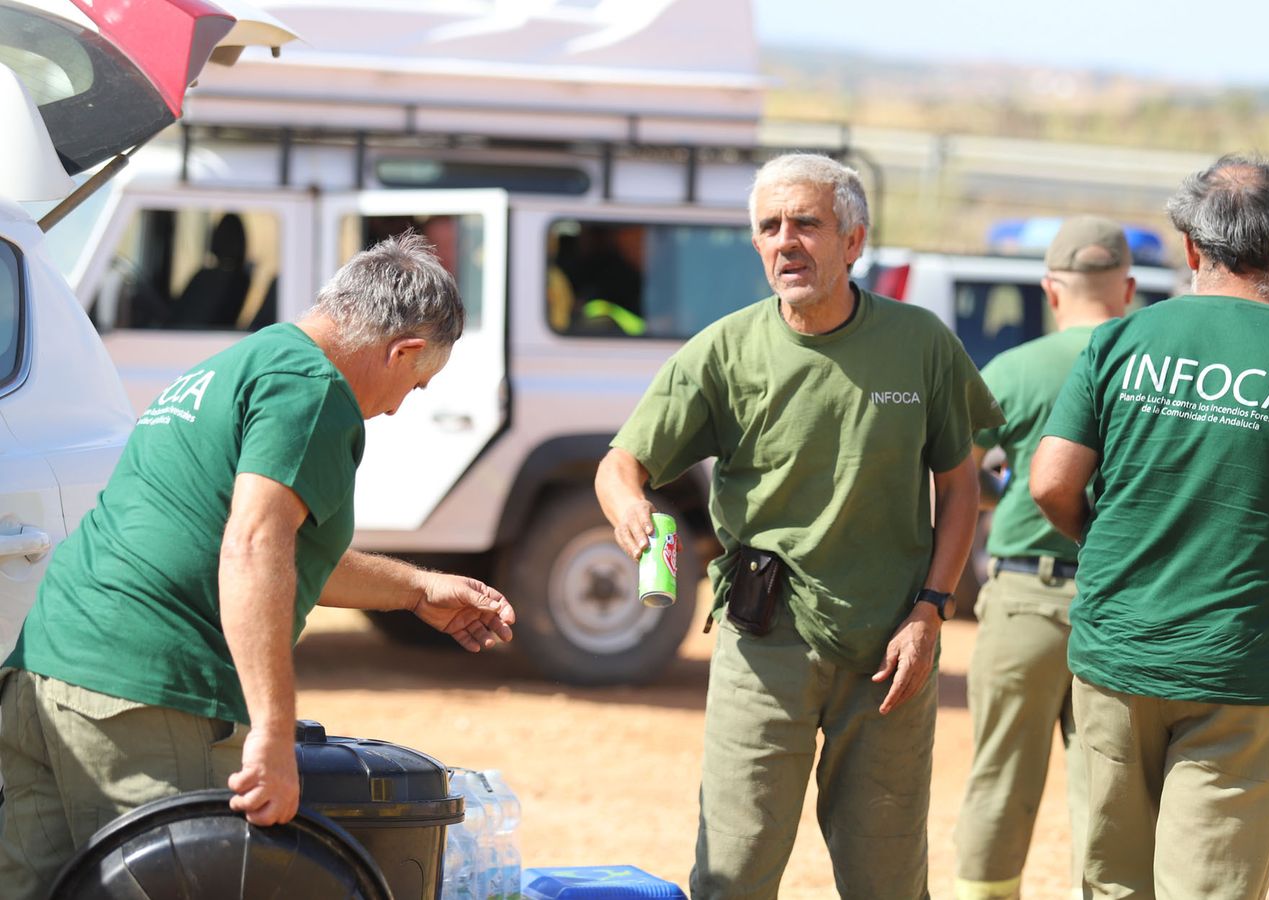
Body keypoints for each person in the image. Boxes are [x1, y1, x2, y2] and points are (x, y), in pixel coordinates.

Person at [0, 233, 516, 899]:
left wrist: (417, 589)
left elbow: (265, 551)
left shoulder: (245, 362)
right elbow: (254, 548)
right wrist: (273, 734)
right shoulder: (313, 391)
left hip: (45, 674)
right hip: (144, 692)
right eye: (415, 386)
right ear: (404, 350)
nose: (395, 407)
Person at [595, 152, 1001, 899]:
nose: (786, 241)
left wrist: (931, 611)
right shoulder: (725, 349)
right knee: (733, 872)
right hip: (765, 641)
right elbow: (622, 463)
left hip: (891, 651)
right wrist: (631, 507)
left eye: (807, 224)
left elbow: (960, 482)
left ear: (853, 241)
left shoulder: (920, 343)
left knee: (886, 879)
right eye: (770, 227)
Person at [1031, 155, 1269, 899]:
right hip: (1237, 674)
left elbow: (1050, 483)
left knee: (1111, 886)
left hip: (1113, 659)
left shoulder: (1117, 344)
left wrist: (1111, 551)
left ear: (1191, 249)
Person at [952, 216, 1134, 900]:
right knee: (1110, 790)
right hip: (1118, 608)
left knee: (1000, 780)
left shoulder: (1014, 368)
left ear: (1051, 290)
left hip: (1024, 599)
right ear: (1129, 289)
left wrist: (1006, 487)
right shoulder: (1146, 370)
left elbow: (955, 475)